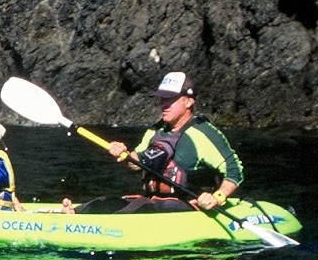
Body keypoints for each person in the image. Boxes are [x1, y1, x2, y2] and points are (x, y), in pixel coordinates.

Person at [100, 71, 244, 213]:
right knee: (101, 204)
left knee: (141, 209)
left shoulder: (203, 133)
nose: (164, 104)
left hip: (190, 205)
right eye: (163, 99)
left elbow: (235, 170)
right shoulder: (155, 130)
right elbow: (137, 164)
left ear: (189, 101)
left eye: (171, 99)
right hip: (152, 202)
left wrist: (217, 197)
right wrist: (124, 154)